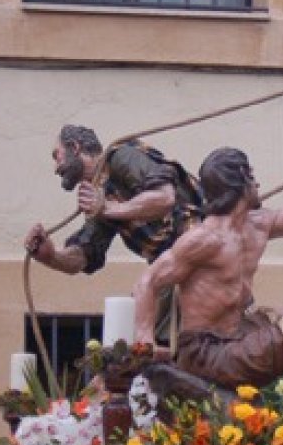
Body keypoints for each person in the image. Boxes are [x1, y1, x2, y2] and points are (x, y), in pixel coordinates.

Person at [132, 142, 283, 391]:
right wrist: (145, 339)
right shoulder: (205, 239)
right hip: (206, 353)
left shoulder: (257, 225)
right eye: (252, 175)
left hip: (239, 334)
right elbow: (148, 282)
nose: (258, 184)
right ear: (241, 180)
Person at [24, 125, 203, 342]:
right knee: (135, 343)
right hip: (169, 269)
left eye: (57, 156)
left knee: (144, 341)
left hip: (197, 251)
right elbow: (83, 255)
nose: (56, 168)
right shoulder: (101, 193)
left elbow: (164, 197)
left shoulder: (120, 156)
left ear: (75, 147)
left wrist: (108, 208)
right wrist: (51, 256)